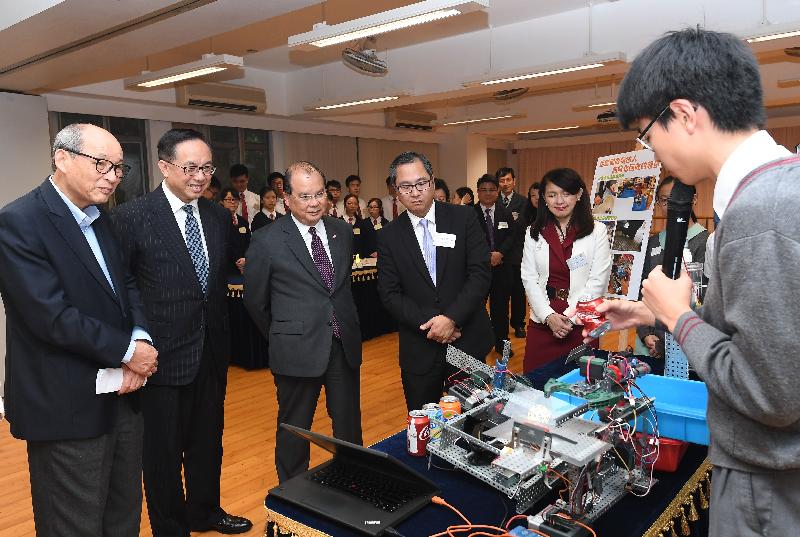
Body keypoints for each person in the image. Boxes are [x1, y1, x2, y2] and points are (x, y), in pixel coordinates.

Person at [582, 28, 799, 537]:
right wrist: (657, 311)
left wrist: (679, 319)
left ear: (683, 114)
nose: (650, 152)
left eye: (646, 134)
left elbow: (771, 396)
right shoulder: (780, 186)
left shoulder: (758, 214)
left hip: (765, 484)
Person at [0, 123, 158, 536]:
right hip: (65, 403)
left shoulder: (100, 219)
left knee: (122, 517)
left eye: (119, 168)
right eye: (101, 164)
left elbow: (125, 284)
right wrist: (128, 352)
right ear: (62, 158)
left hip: (122, 395)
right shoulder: (18, 221)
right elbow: (50, 316)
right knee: (73, 525)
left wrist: (139, 336)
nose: (111, 176)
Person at [111, 129, 252, 536]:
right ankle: (171, 526)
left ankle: (205, 511)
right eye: (190, 168)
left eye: (207, 167)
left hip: (211, 350)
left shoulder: (216, 215)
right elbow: (122, 288)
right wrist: (134, 344)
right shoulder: (132, 217)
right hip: (160, 357)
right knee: (163, 452)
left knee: (208, 441)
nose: (200, 176)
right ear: (164, 166)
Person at [244, 161, 363, 483]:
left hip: (342, 343)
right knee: (295, 426)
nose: (314, 203)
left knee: (349, 425)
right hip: (295, 349)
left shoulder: (341, 231)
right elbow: (255, 301)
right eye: (305, 196)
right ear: (288, 200)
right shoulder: (266, 240)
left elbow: (341, 288)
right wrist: (284, 332)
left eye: (320, 194)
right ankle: (293, 493)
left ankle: (355, 484)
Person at [377, 151, 493, 411]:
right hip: (420, 348)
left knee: (476, 422)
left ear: (432, 181)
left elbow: (480, 274)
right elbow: (389, 294)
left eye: (421, 183)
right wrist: (433, 324)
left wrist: (451, 319)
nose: (415, 192)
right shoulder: (389, 236)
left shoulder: (464, 219)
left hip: (467, 341)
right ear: (396, 190)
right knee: (424, 427)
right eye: (406, 186)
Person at [520, 168, 611, 388]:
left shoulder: (596, 231)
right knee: (534, 388)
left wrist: (570, 319)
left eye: (566, 194)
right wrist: (549, 316)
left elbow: (598, 281)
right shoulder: (534, 232)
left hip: (582, 323)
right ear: (544, 198)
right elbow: (529, 278)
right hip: (544, 321)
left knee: (582, 390)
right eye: (552, 195)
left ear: (579, 194)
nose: (559, 201)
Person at [635, 176, 708, 360]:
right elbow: (641, 290)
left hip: (684, 344)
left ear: (694, 199)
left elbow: (699, 299)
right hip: (648, 342)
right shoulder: (653, 242)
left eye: (677, 199)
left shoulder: (704, 241)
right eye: (665, 200)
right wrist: (645, 334)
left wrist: (663, 344)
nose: (671, 205)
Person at [475, 174, 519, 354]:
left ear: (497, 191)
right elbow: (469, 240)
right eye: (483, 190)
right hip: (478, 270)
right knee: (476, 309)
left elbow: (512, 236)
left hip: (502, 267)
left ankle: (502, 344)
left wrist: (500, 253)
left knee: (500, 309)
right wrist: (487, 255)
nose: (487, 194)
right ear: (478, 192)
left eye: (492, 190)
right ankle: (479, 343)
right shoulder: (469, 213)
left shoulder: (505, 212)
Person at [497, 167, 529, 338]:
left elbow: (521, 227)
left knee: (518, 292)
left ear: (514, 181)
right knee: (501, 294)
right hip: (500, 256)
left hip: (517, 255)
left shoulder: (523, 202)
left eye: (508, 180)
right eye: (502, 181)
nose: (505, 184)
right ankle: (500, 326)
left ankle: (519, 324)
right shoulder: (494, 202)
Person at [219, 186, 250, 275]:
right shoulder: (218, 221)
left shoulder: (243, 221)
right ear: (222, 202)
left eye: (235, 199)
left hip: (244, 266)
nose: (232, 202)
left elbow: (248, 242)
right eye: (229, 199)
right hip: (226, 267)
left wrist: (245, 259)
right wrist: (237, 260)